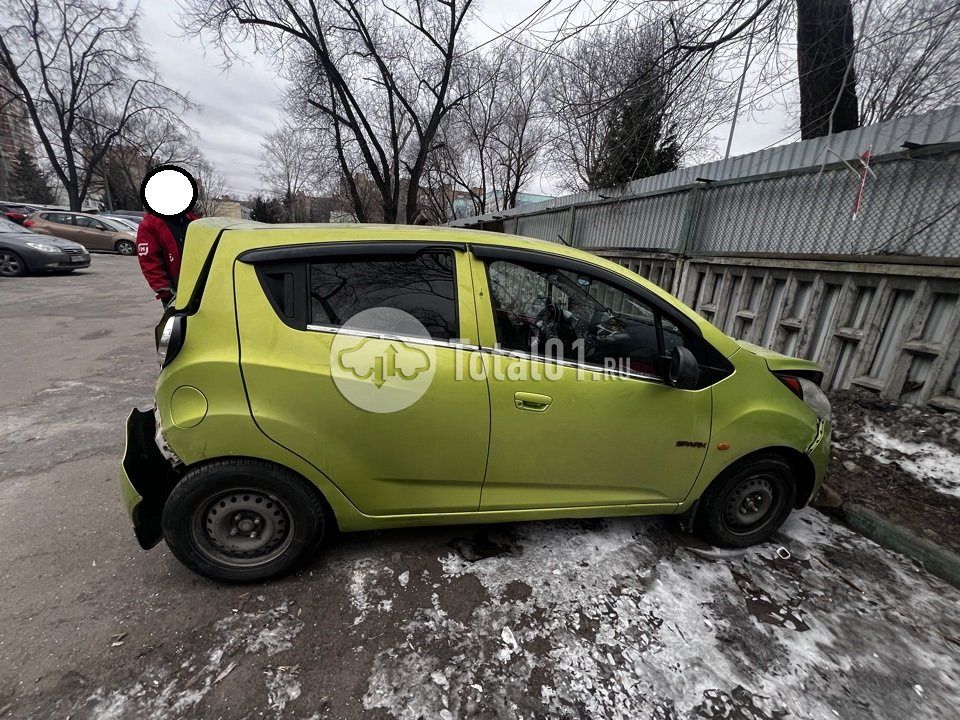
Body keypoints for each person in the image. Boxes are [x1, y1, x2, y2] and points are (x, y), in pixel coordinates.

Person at [136, 210, 197, 308]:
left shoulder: (191, 220)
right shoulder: (150, 225)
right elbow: (149, 262)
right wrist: (165, 291)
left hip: (200, 287)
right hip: (175, 292)